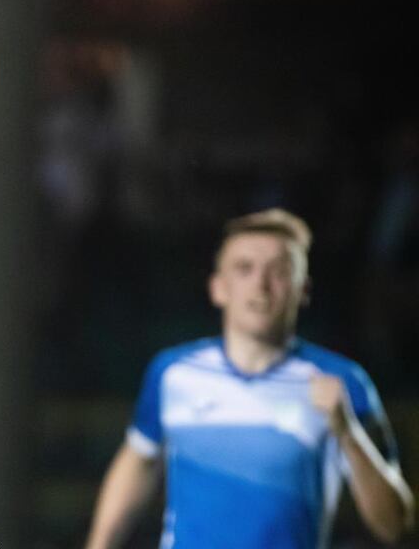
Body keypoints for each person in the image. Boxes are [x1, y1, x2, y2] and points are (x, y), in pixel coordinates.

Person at [84, 208, 414, 549]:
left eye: (279, 271)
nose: (261, 284)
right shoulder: (173, 374)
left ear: (303, 290)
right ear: (218, 288)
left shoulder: (344, 383)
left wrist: (348, 434)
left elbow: (396, 527)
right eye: (245, 269)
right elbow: (139, 458)